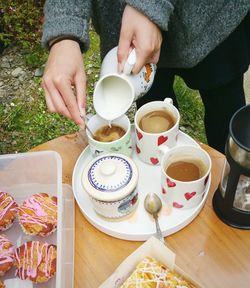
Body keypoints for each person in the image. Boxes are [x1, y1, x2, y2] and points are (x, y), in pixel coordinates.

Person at [41, 1, 250, 153]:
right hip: (125, 29)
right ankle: (159, 161)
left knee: (225, 107)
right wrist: (64, 30)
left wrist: (149, 5)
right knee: (151, 102)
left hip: (211, 19)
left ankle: (236, 185)